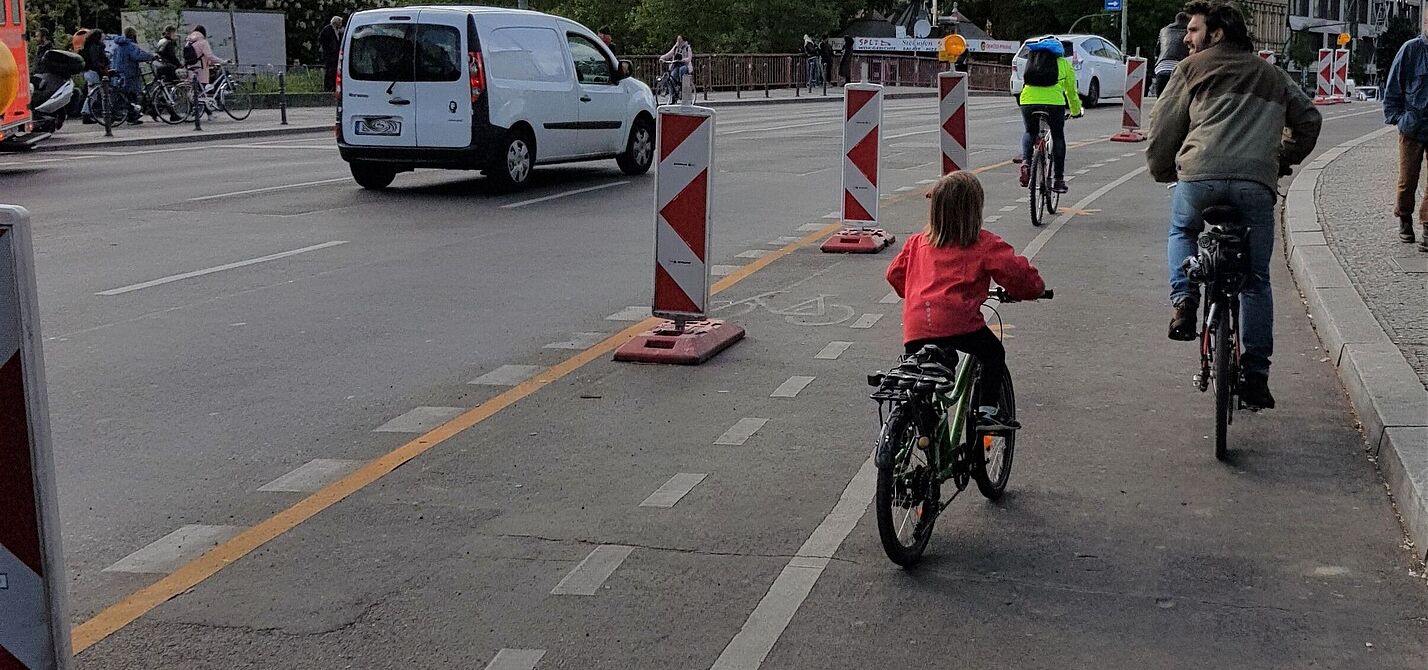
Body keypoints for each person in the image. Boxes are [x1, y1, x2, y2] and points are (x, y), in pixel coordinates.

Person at [1147, 0, 1322, 409]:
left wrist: (1164, 171)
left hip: (1199, 178)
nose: (1187, 39)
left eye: (1193, 31)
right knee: (1256, 280)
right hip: (1254, 185)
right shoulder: (1272, 75)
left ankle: (1184, 301)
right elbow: (1310, 120)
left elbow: (1162, 129)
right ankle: (1257, 376)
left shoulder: (1190, 70)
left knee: (1183, 231)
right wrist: (1282, 158)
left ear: (1217, 34)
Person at [885, 172, 1046, 428]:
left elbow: (895, 275)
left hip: (916, 326)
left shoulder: (917, 243)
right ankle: (987, 410)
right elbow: (1017, 274)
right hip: (960, 325)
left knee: (922, 380)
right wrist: (1034, 289)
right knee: (993, 353)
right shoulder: (983, 243)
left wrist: (918, 294)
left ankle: (921, 430)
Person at [1383, 11, 1428, 251]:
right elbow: (1393, 86)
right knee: (1407, 179)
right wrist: (1398, 119)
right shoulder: (1411, 50)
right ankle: (1404, 218)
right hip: (1412, 126)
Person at [1017, 36, 1081, 194]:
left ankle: (1026, 162)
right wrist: (1075, 111)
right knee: (1058, 136)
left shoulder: (1033, 61)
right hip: (1054, 104)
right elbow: (1071, 92)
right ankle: (1058, 180)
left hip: (1028, 101)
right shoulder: (1064, 64)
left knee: (1030, 131)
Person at [109, 28, 154, 123]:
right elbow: (138, 55)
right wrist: (151, 56)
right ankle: (131, 117)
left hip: (118, 72)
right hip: (129, 73)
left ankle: (120, 115)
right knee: (131, 95)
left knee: (123, 95)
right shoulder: (130, 45)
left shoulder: (117, 45)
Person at [185, 25, 224, 113]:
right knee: (202, 93)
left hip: (190, 68)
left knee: (198, 91)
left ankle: (197, 112)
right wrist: (222, 61)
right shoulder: (203, 42)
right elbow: (209, 56)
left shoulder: (189, 41)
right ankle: (206, 113)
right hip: (201, 69)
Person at [1154, 13, 1190, 96]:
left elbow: (1157, 50)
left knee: (1161, 101)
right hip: (1179, 69)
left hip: (1161, 68)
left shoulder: (1164, 30)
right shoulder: (1189, 32)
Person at [78, 29, 108, 124]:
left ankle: (87, 113)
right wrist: (102, 67)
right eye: (102, 36)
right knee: (94, 94)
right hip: (93, 72)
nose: (104, 37)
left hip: (89, 72)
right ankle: (86, 113)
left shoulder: (90, 46)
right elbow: (96, 61)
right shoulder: (95, 47)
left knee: (93, 94)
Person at [660, 35, 693, 103]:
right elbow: (669, 54)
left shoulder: (687, 48)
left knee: (682, 70)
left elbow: (689, 58)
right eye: (678, 40)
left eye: (680, 40)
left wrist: (682, 60)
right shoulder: (675, 47)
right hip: (676, 65)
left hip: (684, 65)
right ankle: (673, 96)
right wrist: (662, 58)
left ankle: (681, 87)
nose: (679, 42)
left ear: (683, 41)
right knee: (672, 77)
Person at [319, 16, 344, 93]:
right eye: (340, 22)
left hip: (335, 55)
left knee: (334, 71)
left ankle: (333, 87)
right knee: (329, 71)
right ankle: (328, 87)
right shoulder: (328, 29)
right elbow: (322, 39)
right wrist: (328, 48)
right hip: (329, 55)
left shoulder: (337, 31)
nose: (341, 24)